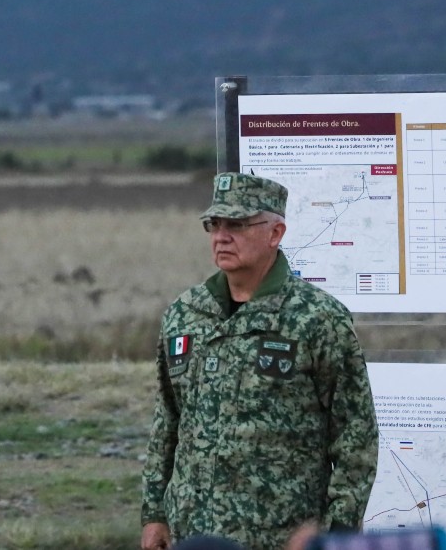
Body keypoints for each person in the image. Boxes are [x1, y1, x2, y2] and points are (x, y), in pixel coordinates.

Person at [141, 173, 378, 550]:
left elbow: (355, 436)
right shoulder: (185, 314)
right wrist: (154, 512)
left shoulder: (316, 318)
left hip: (281, 537)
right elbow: (168, 419)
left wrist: (339, 533)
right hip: (194, 532)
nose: (221, 236)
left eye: (236, 225)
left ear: (275, 233)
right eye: (213, 224)